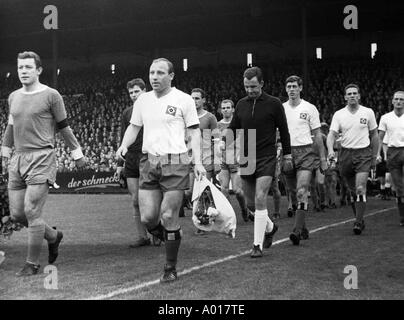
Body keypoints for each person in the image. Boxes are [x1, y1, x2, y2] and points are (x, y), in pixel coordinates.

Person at [116, 58, 205, 282]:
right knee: (148, 218)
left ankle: (170, 267)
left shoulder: (183, 100)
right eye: (151, 72)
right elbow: (134, 127)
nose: (154, 76)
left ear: (171, 76)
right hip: (148, 161)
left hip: (176, 161)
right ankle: (171, 236)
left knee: (168, 214)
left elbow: (194, 132)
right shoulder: (143, 101)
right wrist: (124, 145)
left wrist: (199, 162)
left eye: (160, 73)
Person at [1, 51, 86, 276]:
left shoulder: (52, 95)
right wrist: (5, 152)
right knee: (17, 215)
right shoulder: (13, 97)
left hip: (42, 157)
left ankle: (32, 264)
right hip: (18, 158)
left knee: (31, 211)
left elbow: (64, 126)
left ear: (38, 70)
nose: (23, 72)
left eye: (28, 67)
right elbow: (10, 126)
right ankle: (53, 236)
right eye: (20, 68)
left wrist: (77, 153)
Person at [222, 66, 292, 258]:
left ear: (261, 83)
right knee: (252, 204)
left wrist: (287, 155)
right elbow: (234, 127)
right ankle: (270, 228)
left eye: (253, 86)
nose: (250, 90)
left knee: (261, 198)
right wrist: (223, 142)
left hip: (267, 156)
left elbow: (284, 131)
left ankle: (257, 245)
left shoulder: (274, 103)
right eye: (246, 86)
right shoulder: (241, 104)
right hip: (246, 156)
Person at [327, 84, 379, 235]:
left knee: (361, 188)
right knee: (352, 192)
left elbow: (374, 135)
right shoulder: (339, 114)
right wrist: (330, 150)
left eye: (355, 93)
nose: (352, 96)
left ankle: (357, 222)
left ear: (359, 96)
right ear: (345, 97)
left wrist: (374, 156)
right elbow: (331, 134)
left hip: (363, 153)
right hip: (345, 155)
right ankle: (360, 219)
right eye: (349, 94)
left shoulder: (368, 112)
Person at [282, 75, 327, 245]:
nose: (292, 89)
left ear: (300, 88)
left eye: (294, 86)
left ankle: (296, 231)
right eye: (289, 87)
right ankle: (303, 227)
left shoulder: (310, 108)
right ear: (286, 89)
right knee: (293, 194)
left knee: (301, 191)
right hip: (287, 153)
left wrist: (322, 158)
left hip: (306, 152)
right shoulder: (281, 108)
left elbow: (317, 135)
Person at [116, 78, 158, 247]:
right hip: (131, 158)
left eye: (136, 91)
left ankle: (156, 230)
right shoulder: (127, 113)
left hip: (147, 156)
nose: (134, 95)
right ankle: (143, 237)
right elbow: (123, 137)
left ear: (144, 91)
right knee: (135, 200)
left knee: (151, 197)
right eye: (131, 92)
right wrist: (120, 163)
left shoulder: (153, 108)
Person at [183, 88, 218, 226]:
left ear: (203, 100)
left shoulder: (210, 117)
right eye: (192, 98)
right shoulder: (185, 117)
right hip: (188, 158)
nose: (194, 101)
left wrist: (217, 160)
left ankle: (203, 221)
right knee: (189, 192)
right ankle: (207, 211)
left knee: (203, 190)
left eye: (197, 98)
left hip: (205, 159)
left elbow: (216, 139)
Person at [217, 99, 252, 222]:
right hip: (224, 161)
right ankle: (230, 215)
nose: (225, 109)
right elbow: (216, 143)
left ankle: (244, 209)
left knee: (238, 191)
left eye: (228, 107)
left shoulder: (238, 124)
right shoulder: (218, 125)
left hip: (236, 160)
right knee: (224, 189)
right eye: (223, 107)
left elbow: (245, 141)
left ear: (233, 109)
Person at [377, 90, 404, 226]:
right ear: (392, 101)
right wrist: (377, 154)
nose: (399, 101)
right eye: (396, 99)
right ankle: (402, 217)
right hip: (393, 153)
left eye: (401, 99)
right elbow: (380, 138)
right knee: (398, 188)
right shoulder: (385, 117)